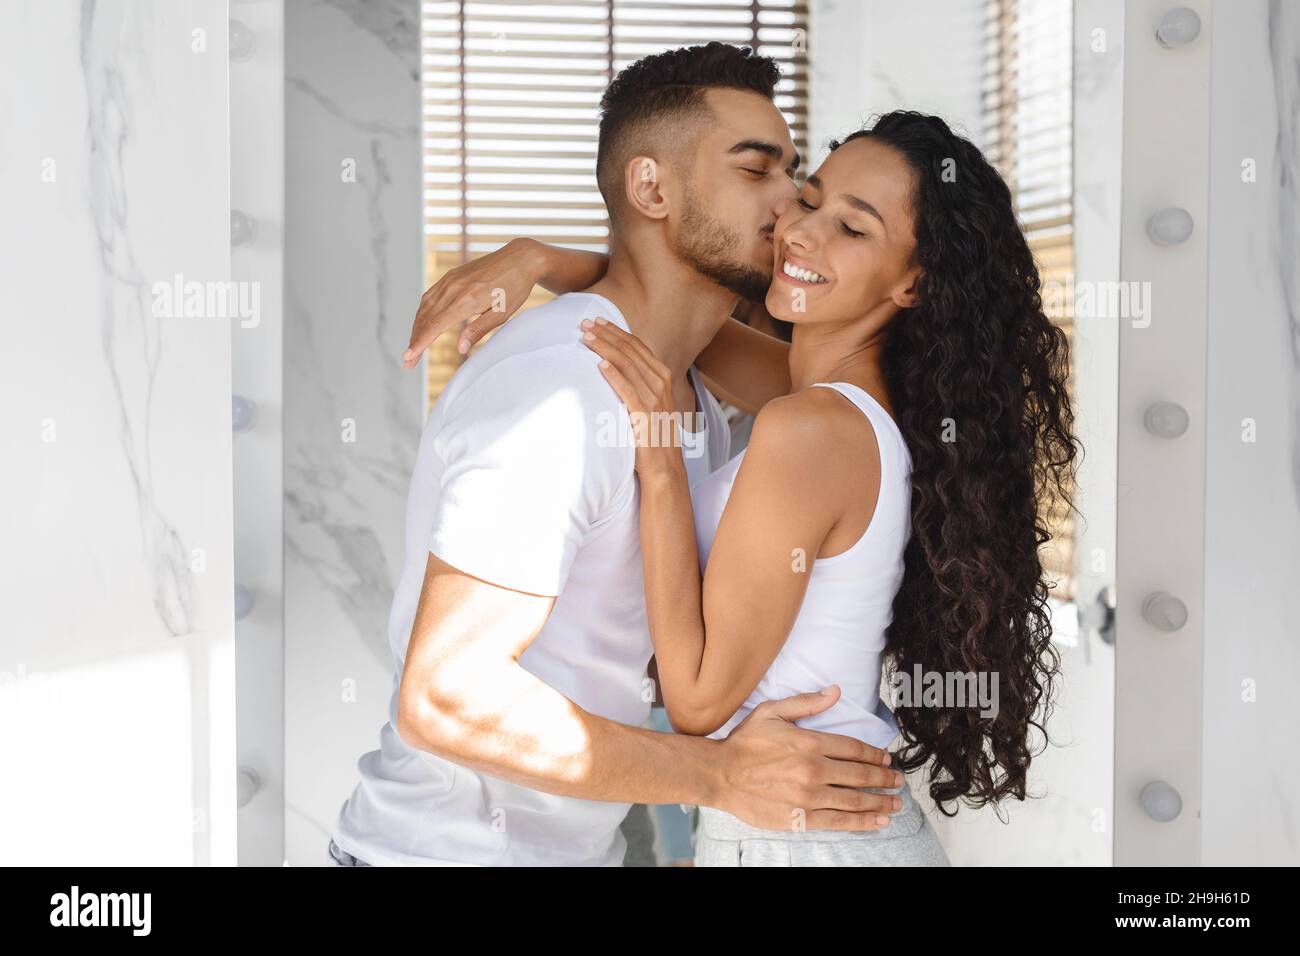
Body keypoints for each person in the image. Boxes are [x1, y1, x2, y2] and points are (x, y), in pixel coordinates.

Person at [410, 111, 1080, 865]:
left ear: (913, 282)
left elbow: (696, 701)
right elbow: (673, 318)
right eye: (810, 198)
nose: (802, 233)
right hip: (803, 824)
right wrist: (534, 258)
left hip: (805, 837)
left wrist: (661, 466)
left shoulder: (811, 429)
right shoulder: (847, 405)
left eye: (852, 229)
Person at [328, 43, 904, 868]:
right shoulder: (560, 394)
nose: (791, 209)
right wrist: (720, 777)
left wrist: (541, 258)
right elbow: (444, 695)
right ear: (652, 189)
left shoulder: (685, 390)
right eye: (756, 171)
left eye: (794, 175)